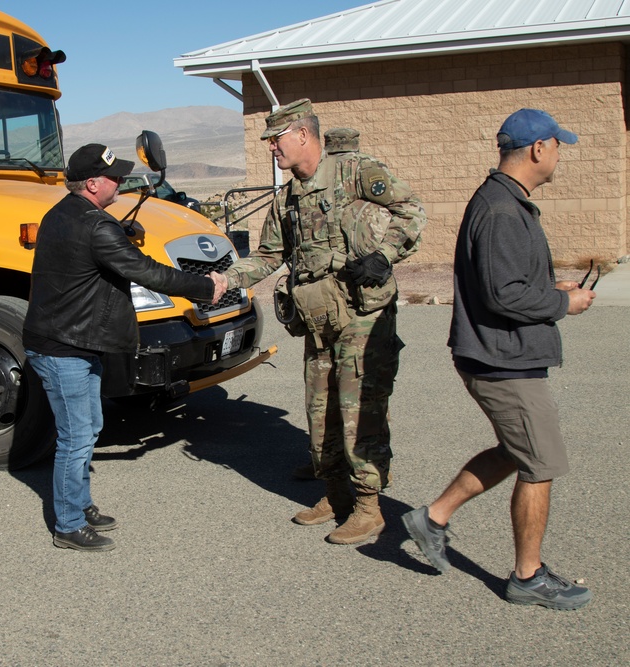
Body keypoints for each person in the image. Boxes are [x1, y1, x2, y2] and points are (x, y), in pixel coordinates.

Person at [401, 109, 594, 610]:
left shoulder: (506, 202)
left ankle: (433, 518)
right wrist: (561, 304)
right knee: (540, 463)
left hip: (500, 355)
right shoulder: (503, 210)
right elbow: (502, 296)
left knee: (516, 450)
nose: (559, 154)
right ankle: (527, 578)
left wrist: (550, 288)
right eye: (558, 145)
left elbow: (505, 284)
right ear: (537, 148)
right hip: (503, 361)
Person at [223, 100, 426, 544]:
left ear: (301, 134)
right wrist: (225, 279)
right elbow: (269, 257)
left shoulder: (356, 173)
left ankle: (369, 508)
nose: (272, 149)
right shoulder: (287, 199)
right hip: (318, 319)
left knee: (360, 413)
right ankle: (335, 495)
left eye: (276, 139)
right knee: (321, 413)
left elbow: (411, 210)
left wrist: (383, 256)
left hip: (362, 316)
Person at [23, 143, 228, 552]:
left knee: (89, 427)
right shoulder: (96, 226)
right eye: (114, 177)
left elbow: (91, 256)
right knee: (76, 436)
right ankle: (68, 524)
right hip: (64, 346)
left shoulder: (65, 213)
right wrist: (207, 286)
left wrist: (122, 237)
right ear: (93, 184)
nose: (120, 182)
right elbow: (148, 273)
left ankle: (79, 504)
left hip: (76, 340)